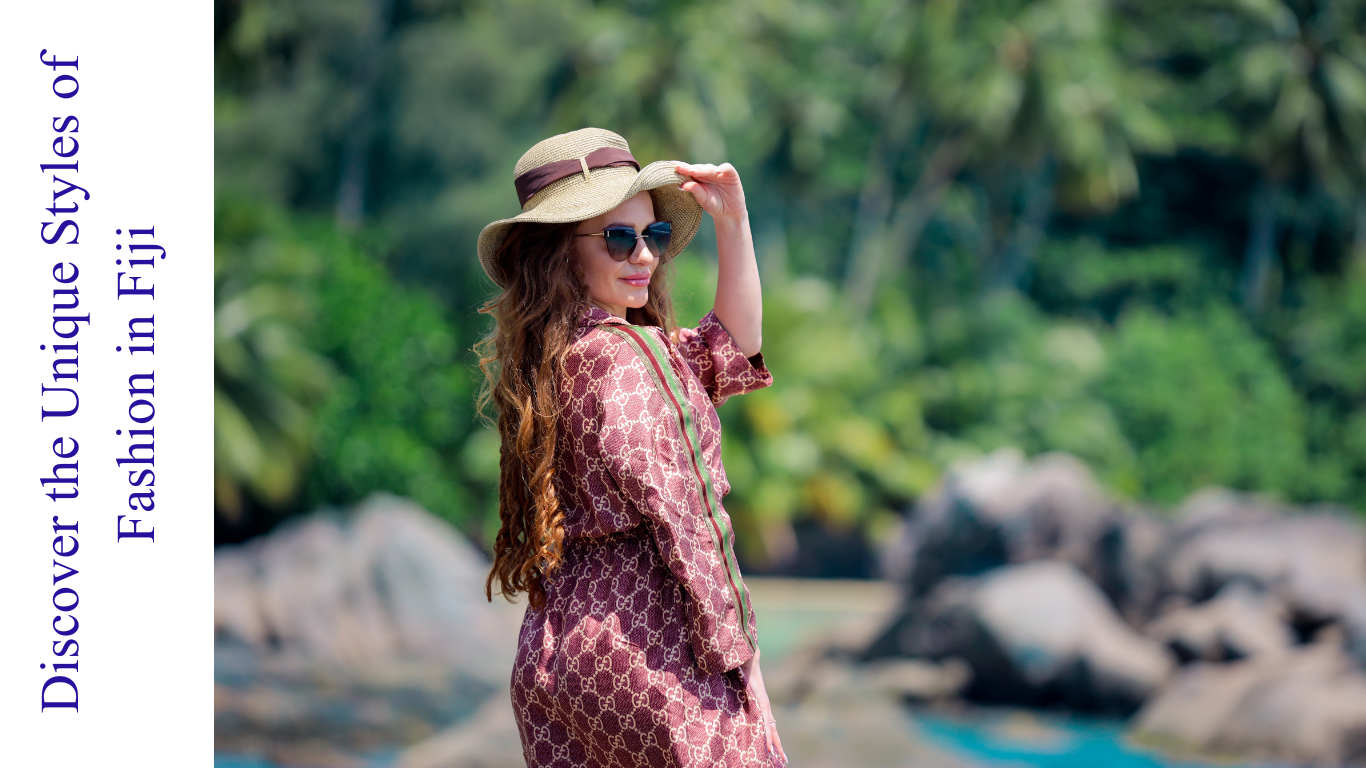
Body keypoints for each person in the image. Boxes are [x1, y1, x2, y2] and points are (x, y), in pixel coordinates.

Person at [474, 127, 788, 767]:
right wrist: (745, 663)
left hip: (557, 652)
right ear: (563, 254)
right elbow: (689, 518)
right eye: (620, 238)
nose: (644, 255)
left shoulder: (552, 364)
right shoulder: (629, 358)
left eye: (655, 236)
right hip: (651, 646)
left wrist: (734, 224)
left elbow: (728, 351)